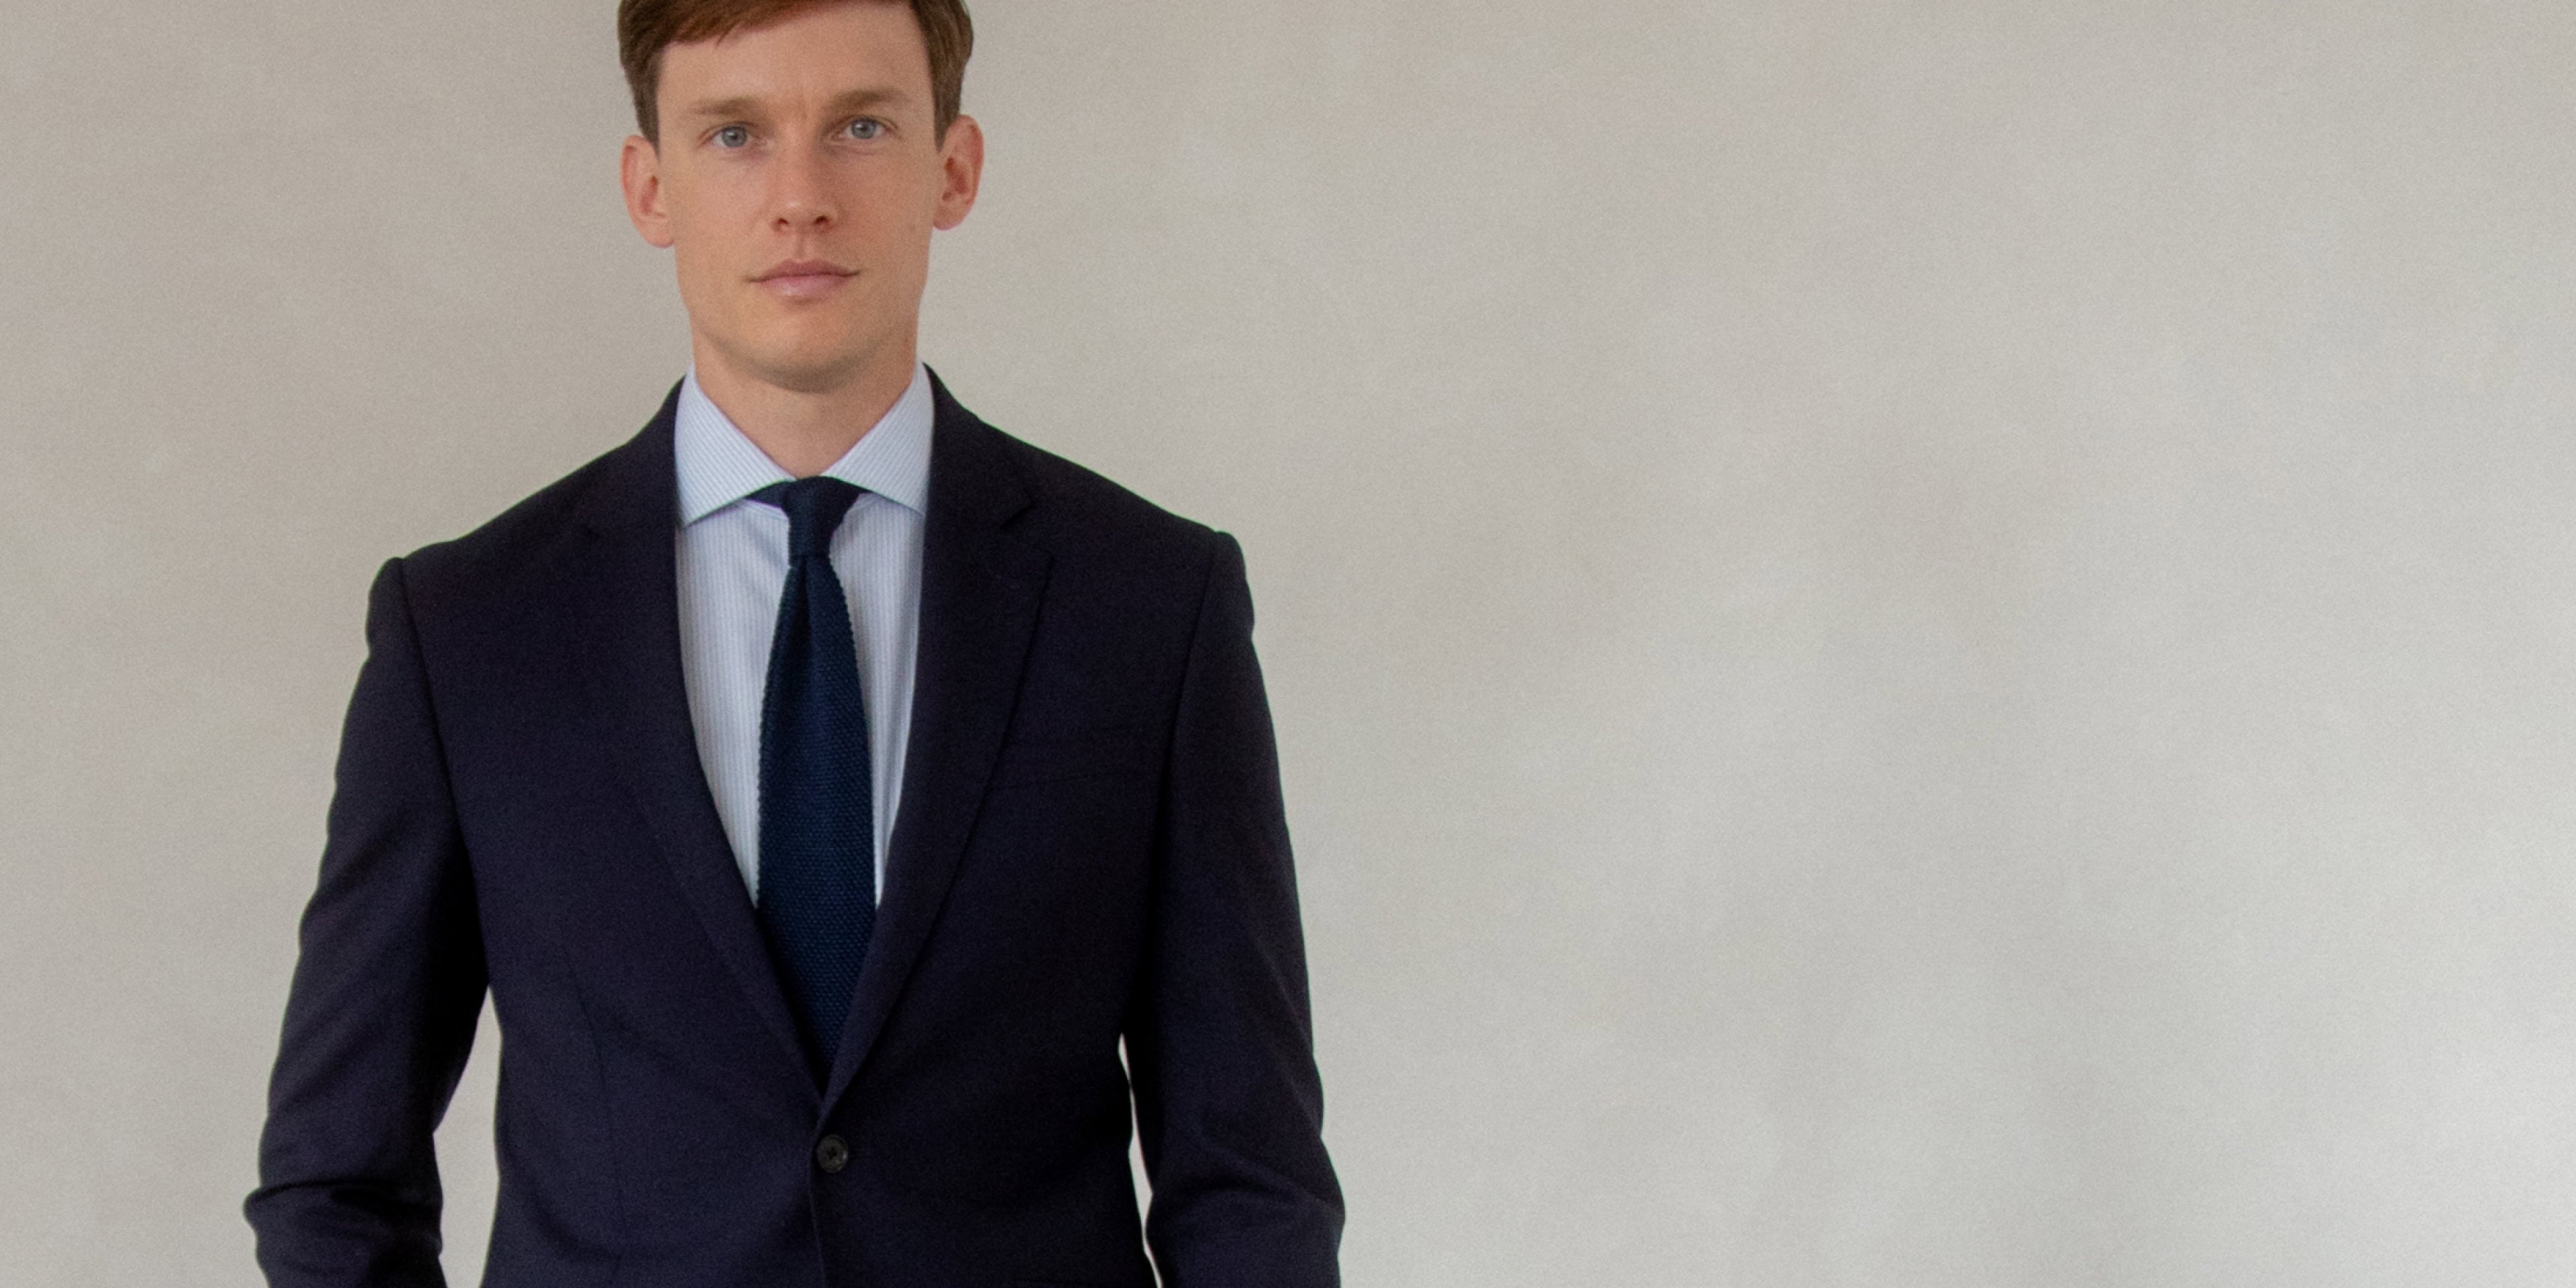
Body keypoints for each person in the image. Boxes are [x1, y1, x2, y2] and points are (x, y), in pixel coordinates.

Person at [242, 1, 1344, 1283]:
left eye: (861, 126)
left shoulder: (1151, 605)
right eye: (735, 135)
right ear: (650, 188)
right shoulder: (471, 632)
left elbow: (1250, 1181)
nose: (801, 197)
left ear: (955, 168)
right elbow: (334, 1180)